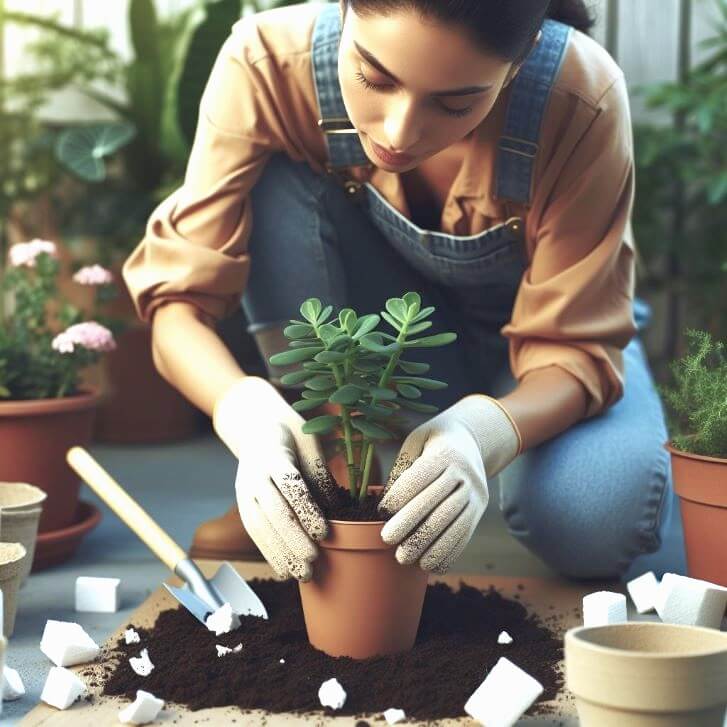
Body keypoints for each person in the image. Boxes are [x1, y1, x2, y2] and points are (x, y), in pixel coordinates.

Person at [122, 0, 686, 583]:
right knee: (272, 178)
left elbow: (574, 351)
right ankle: (324, 485)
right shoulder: (267, 63)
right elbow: (177, 305)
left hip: (544, 360)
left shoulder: (580, 99)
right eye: (374, 77)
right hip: (388, 346)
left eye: (456, 103)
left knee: (594, 519)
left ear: (517, 65)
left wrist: (481, 435)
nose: (399, 131)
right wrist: (246, 413)